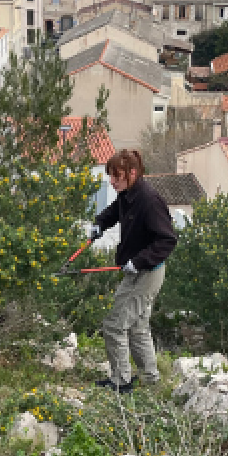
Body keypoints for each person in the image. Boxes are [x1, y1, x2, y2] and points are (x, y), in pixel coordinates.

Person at [88, 150, 176, 393]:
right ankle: (150, 379)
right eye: (111, 177)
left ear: (132, 173)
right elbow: (115, 211)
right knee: (137, 326)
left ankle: (121, 381)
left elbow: (167, 240)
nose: (112, 182)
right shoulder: (128, 195)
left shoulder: (149, 201)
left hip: (148, 273)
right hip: (136, 270)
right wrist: (99, 224)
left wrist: (138, 261)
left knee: (115, 324)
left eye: (116, 177)